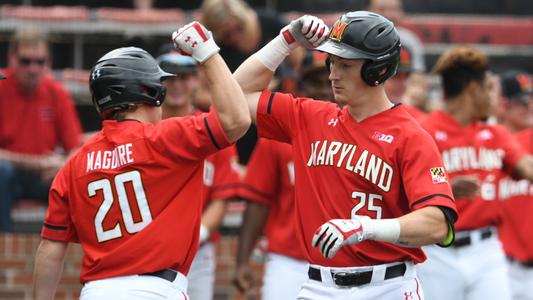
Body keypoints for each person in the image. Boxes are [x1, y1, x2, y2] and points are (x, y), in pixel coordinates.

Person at [233, 11, 457, 299]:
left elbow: (438, 224)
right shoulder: (310, 117)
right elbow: (235, 93)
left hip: (387, 286)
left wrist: (366, 227)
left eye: (346, 65)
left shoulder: (411, 136)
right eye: (332, 62)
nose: (332, 74)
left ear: (376, 70)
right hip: (318, 285)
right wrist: (286, 40)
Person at [32, 21, 251, 300]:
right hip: (156, 289)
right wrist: (206, 51)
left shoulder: (75, 163)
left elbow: (50, 249)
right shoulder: (167, 138)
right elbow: (238, 120)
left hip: (95, 292)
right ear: (149, 91)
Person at [416, 48, 533, 300]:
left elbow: (527, 167)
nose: (493, 97)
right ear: (473, 89)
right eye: (488, 88)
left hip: (486, 251)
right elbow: (404, 190)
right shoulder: (424, 131)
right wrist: (445, 188)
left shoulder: (494, 134)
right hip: (437, 252)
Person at [232, 52, 333, 300]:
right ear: (299, 86)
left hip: (344, 261)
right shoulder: (277, 139)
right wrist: (242, 260)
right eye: (313, 83)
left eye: (327, 83)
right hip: (289, 260)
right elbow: (258, 201)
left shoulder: (357, 132)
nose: (322, 90)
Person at [157, 48, 241, 300]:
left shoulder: (213, 129)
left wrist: (196, 235)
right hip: (150, 244)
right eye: (169, 77)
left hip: (198, 248)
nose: (177, 84)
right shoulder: (145, 128)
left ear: (196, 80)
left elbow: (222, 198)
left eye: (184, 76)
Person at [199, 0, 302, 165]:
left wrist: (285, 79)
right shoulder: (217, 50)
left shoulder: (268, 22)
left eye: (238, 29)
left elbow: (297, 60)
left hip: (278, 108)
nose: (234, 37)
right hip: (245, 120)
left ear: (244, 19)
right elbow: (199, 93)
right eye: (226, 35)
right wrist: (232, 100)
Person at [0, 28, 82, 232]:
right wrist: (38, 162)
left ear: (49, 63)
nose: (33, 68)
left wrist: (62, 164)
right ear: (12, 59)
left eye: (40, 62)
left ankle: (77, 252)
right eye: (26, 61)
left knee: (73, 176)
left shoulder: (57, 93)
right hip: (8, 175)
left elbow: (75, 149)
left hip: (43, 176)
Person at [496, 71, 533, 300]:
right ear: (504, 105)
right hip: (501, 266)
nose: (529, 107)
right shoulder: (489, 141)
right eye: (523, 102)